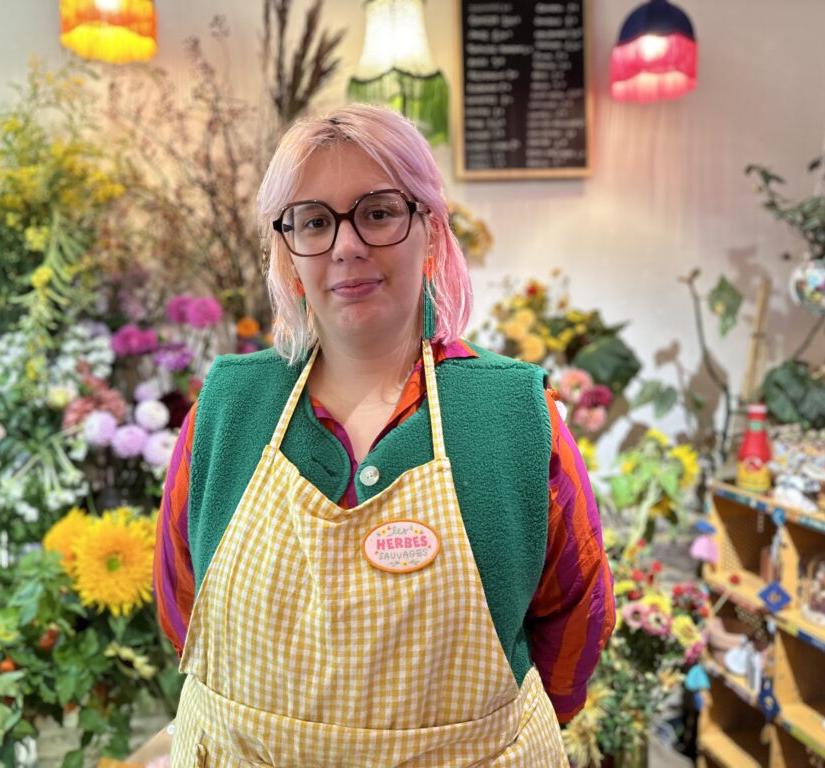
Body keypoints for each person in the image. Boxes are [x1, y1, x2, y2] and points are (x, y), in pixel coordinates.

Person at [154, 104, 615, 767]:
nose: (346, 245)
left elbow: (577, 618)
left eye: (377, 212)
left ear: (430, 229)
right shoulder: (230, 404)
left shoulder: (512, 410)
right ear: (288, 254)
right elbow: (182, 604)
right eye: (314, 221)